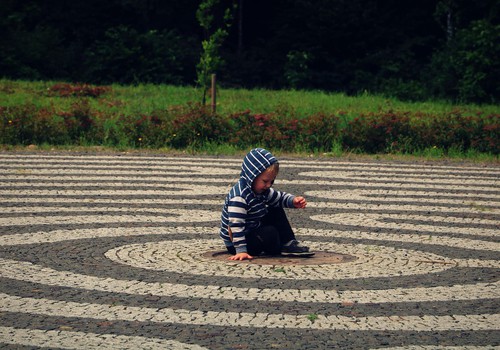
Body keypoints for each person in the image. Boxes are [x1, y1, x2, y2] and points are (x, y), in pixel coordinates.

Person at [219, 148, 313, 261]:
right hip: (236, 243)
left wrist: (293, 201)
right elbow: (235, 226)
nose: (268, 185)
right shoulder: (239, 197)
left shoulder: (262, 191)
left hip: (252, 228)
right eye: (265, 181)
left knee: (275, 209)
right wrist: (241, 251)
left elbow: (278, 198)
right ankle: (278, 247)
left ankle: (289, 242)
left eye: (271, 182)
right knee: (270, 232)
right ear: (252, 177)